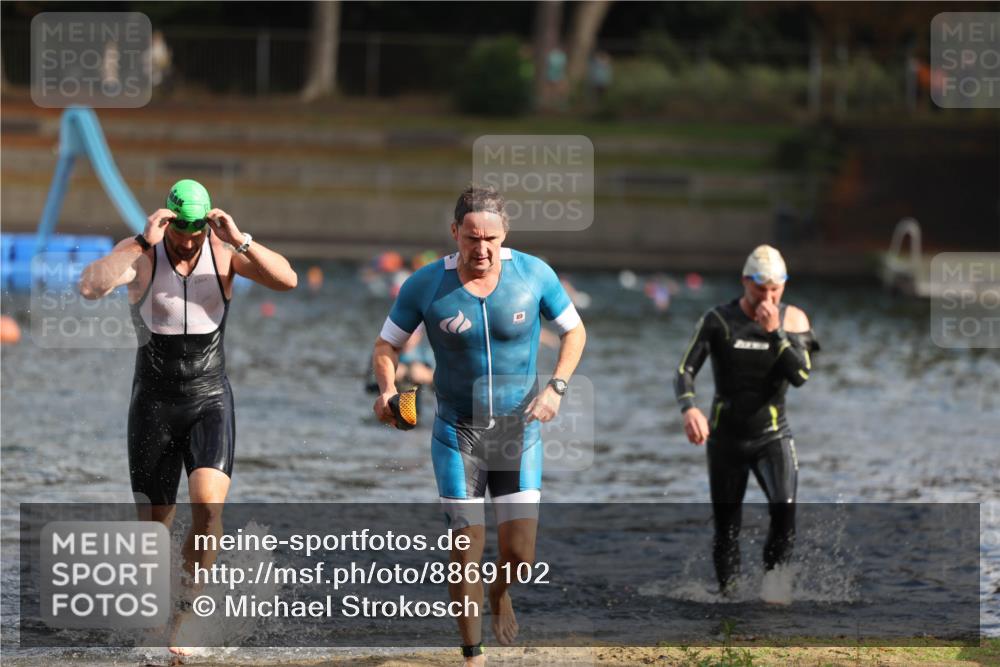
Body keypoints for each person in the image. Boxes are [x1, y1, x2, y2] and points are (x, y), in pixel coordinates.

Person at [78, 179, 297, 654]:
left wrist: (240, 238)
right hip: (153, 402)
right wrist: (141, 240)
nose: (189, 239)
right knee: (153, 528)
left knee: (208, 509)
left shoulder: (223, 253)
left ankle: (184, 622)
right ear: (170, 220)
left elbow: (287, 280)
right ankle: (154, 620)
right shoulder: (142, 253)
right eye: (182, 229)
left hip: (209, 398)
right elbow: (90, 287)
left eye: (197, 230)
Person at [372, 185, 586, 666]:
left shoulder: (535, 275)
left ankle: (500, 592)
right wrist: (387, 392)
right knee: (466, 545)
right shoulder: (425, 285)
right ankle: (473, 655)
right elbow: (386, 347)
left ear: (505, 235)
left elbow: (575, 331)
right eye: (471, 238)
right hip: (456, 434)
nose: (481, 248)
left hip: (518, 430)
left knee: (520, 555)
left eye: (491, 237)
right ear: (455, 233)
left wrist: (557, 389)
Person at [674, 245, 819, 603]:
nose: (767, 298)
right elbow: (684, 371)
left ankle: (775, 591)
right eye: (760, 290)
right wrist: (689, 408)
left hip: (773, 435)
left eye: (775, 290)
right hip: (725, 440)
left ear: (783, 286)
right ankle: (730, 599)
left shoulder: (794, 320)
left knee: (784, 509)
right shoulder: (718, 320)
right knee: (727, 528)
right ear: (744, 282)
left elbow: (800, 375)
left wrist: (775, 333)